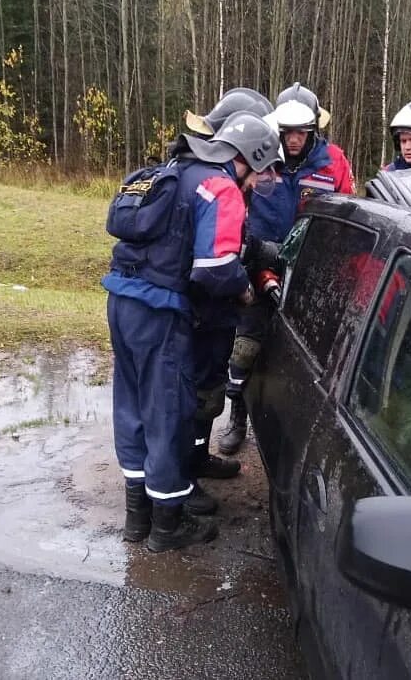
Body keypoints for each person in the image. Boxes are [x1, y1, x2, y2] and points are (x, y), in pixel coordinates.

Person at [103, 111, 280, 552]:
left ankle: (137, 517)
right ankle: (167, 527)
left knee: (133, 407)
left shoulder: (177, 169)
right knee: (167, 414)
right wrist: (244, 291)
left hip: (121, 301)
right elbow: (215, 269)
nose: (262, 182)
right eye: (263, 172)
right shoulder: (221, 187)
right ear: (250, 158)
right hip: (160, 312)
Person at [219, 83, 356, 455]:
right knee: (244, 347)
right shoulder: (260, 158)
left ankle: (299, 429)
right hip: (259, 264)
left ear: (313, 130)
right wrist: (256, 265)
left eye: (301, 133)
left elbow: (347, 218)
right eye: (286, 132)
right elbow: (238, 210)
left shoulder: (334, 162)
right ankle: (237, 417)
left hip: (313, 271)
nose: (293, 140)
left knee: (311, 355)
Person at [169, 88, 275, 517]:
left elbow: (231, 237)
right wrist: (242, 288)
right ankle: (180, 480)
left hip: (212, 312)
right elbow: (211, 261)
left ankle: (196, 461)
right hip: (196, 308)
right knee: (190, 395)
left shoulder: (222, 179)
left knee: (208, 394)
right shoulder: (212, 180)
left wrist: (262, 252)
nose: (259, 178)